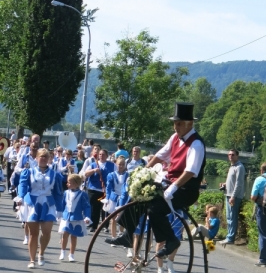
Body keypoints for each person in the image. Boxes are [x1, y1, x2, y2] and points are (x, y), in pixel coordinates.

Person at [105, 101, 206, 264]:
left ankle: (171, 239)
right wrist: (143, 174)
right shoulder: (175, 138)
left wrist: (173, 187)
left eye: (179, 124)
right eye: (174, 123)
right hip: (169, 184)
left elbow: (191, 171)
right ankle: (128, 235)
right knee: (140, 194)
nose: (175, 127)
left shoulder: (196, 144)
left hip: (186, 189)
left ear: (189, 124)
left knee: (155, 208)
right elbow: (160, 156)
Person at [16, 148, 64, 268]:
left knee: (47, 232)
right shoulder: (29, 172)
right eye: (41, 156)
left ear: (49, 159)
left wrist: (60, 209)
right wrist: (20, 197)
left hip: (48, 204)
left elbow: (58, 193)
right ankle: (32, 260)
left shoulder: (55, 174)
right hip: (32, 203)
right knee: (34, 234)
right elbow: (23, 185)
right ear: (36, 158)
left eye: (45, 157)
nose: (43, 159)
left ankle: (41, 253)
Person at [58, 174, 92, 262]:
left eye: (69, 182)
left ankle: (71, 254)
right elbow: (63, 204)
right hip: (66, 217)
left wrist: (87, 216)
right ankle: (62, 252)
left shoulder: (83, 194)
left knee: (74, 236)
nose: (67, 184)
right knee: (65, 234)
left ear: (76, 184)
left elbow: (87, 206)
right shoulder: (66, 193)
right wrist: (59, 213)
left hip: (77, 217)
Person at [84, 148, 115, 231]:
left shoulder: (112, 165)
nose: (101, 156)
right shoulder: (93, 164)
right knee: (95, 208)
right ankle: (94, 225)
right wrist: (94, 170)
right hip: (93, 190)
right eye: (100, 154)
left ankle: (105, 226)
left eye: (103, 154)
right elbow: (86, 174)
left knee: (105, 209)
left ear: (107, 156)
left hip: (105, 191)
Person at [219, 149, 245, 246]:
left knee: (232, 217)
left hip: (234, 196)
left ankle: (230, 238)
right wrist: (225, 184)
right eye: (229, 154)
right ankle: (229, 236)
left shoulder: (239, 167)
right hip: (228, 194)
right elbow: (232, 181)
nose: (230, 156)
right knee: (228, 216)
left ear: (237, 156)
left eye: (233, 155)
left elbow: (239, 184)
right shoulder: (232, 167)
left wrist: (233, 196)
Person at [104, 157, 129, 237]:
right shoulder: (111, 175)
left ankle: (120, 234)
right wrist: (107, 198)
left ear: (125, 165)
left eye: (122, 164)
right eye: (119, 164)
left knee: (123, 218)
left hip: (124, 198)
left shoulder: (128, 175)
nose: (121, 166)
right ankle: (113, 237)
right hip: (114, 198)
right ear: (116, 164)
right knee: (113, 218)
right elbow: (108, 188)